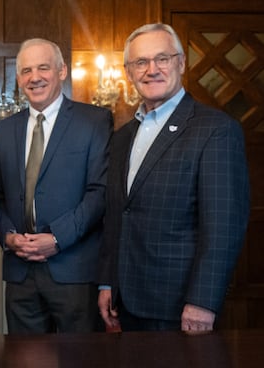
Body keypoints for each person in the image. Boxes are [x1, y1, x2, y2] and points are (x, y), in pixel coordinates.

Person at [98, 23, 250, 332]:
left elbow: (223, 227)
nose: (151, 69)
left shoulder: (215, 130)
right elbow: (117, 215)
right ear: (129, 72)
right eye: (141, 62)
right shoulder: (123, 136)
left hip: (180, 305)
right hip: (126, 300)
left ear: (180, 63)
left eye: (162, 59)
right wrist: (106, 281)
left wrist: (203, 301)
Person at [0, 38, 112, 333]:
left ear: (62, 71)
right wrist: (7, 236)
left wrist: (56, 238)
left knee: (80, 360)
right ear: (18, 79)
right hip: (20, 273)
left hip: (73, 270)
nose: (34, 77)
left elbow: (100, 192)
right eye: (26, 71)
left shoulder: (94, 121)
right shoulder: (4, 130)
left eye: (43, 68)